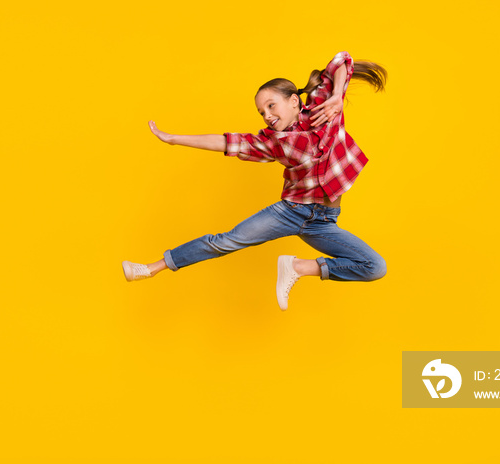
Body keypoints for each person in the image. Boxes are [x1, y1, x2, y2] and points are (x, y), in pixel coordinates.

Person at [123, 51, 388, 310]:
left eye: (271, 106)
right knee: (224, 241)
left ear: (294, 101)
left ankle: (297, 267)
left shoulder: (323, 108)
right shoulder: (271, 142)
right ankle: (149, 269)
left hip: (323, 222)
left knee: (374, 267)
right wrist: (173, 138)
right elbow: (225, 142)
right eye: (261, 112)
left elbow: (342, 60)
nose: (267, 116)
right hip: (291, 212)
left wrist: (338, 97)